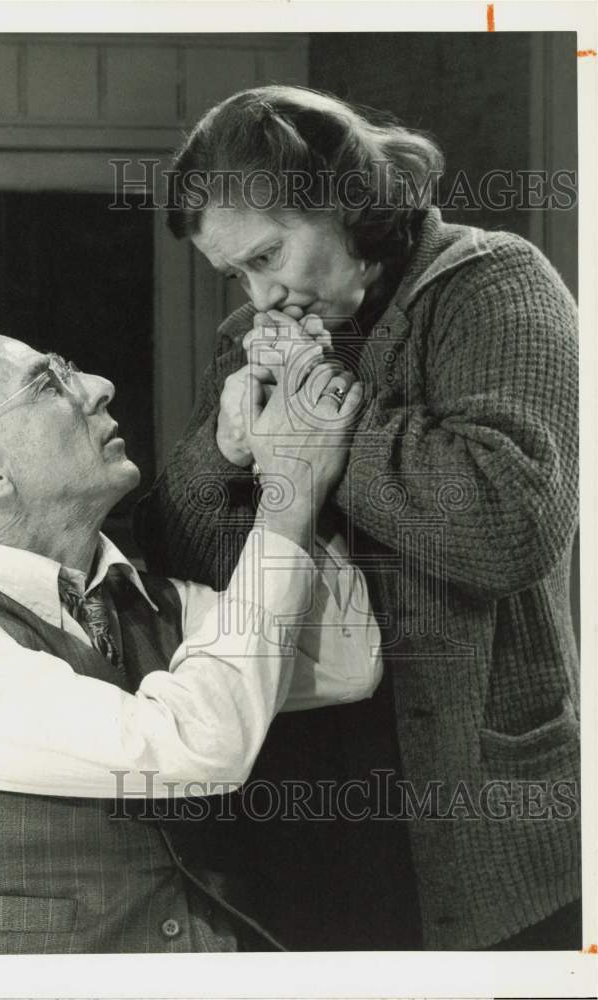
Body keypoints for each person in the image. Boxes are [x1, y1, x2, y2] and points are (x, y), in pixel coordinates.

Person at [134, 85, 581, 950]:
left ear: (347, 205)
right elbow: (187, 561)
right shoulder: (251, 332)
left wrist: (323, 424)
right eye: (236, 273)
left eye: (268, 257)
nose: (259, 297)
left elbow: (507, 524)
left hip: (480, 800)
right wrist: (224, 451)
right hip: (304, 787)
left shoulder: (495, 284)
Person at [0, 330, 381, 955]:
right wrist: (289, 492)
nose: (101, 387)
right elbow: (198, 746)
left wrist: (276, 460)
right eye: (49, 382)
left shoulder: (154, 601)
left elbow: (346, 660)